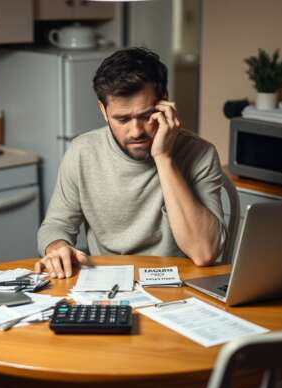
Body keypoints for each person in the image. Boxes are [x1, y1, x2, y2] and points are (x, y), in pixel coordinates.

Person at [35, 47, 226, 279]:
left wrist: (163, 158)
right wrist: (57, 247)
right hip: (108, 282)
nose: (136, 131)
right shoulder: (82, 152)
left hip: (180, 285)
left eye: (146, 116)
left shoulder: (200, 153)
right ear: (103, 111)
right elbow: (56, 224)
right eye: (122, 119)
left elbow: (204, 252)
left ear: (164, 103)